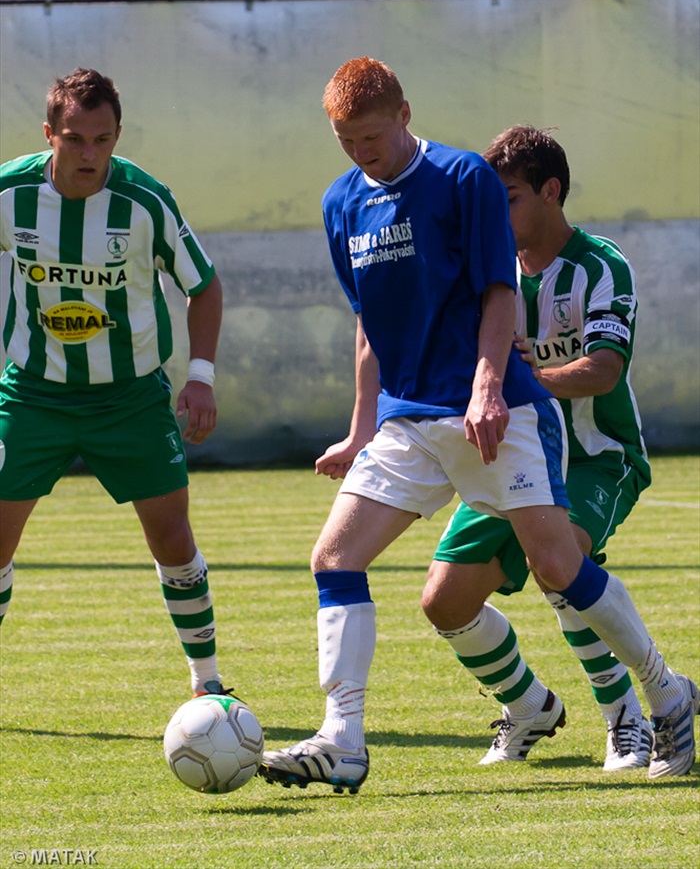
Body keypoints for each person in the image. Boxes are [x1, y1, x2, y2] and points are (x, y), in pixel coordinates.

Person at [259, 56, 604, 795]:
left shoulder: (461, 179)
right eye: (346, 139)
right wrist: (357, 429)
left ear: (405, 114)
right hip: (408, 420)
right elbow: (368, 325)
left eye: (372, 135)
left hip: (489, 413)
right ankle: (343, 737)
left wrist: (487, 386)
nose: (361, 151)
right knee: (335, 558)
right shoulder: (340, 203)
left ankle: (659, 691)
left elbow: (498, 289)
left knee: (558, 567)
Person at [422, 124, 698, 778]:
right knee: (445, 600)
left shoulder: (601, 265)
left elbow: (604, 369)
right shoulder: (488, 272)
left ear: (551, 191)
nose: (496, 213)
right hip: (516, 450)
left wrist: (527, 377)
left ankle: (637, 712)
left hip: (598, 453)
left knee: (560, 558)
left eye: (509, 197)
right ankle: (528, 706)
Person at [0, 67, 230, 700]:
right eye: (74, 139)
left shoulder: (144, 201)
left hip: (129, 397)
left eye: (102, 141)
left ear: (118, 136)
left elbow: (203, 285)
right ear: (49, 133)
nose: (89, 155)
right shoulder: (9, 193)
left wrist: (200, 377)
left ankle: (208, 685)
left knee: (172, 539)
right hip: (33, 392)